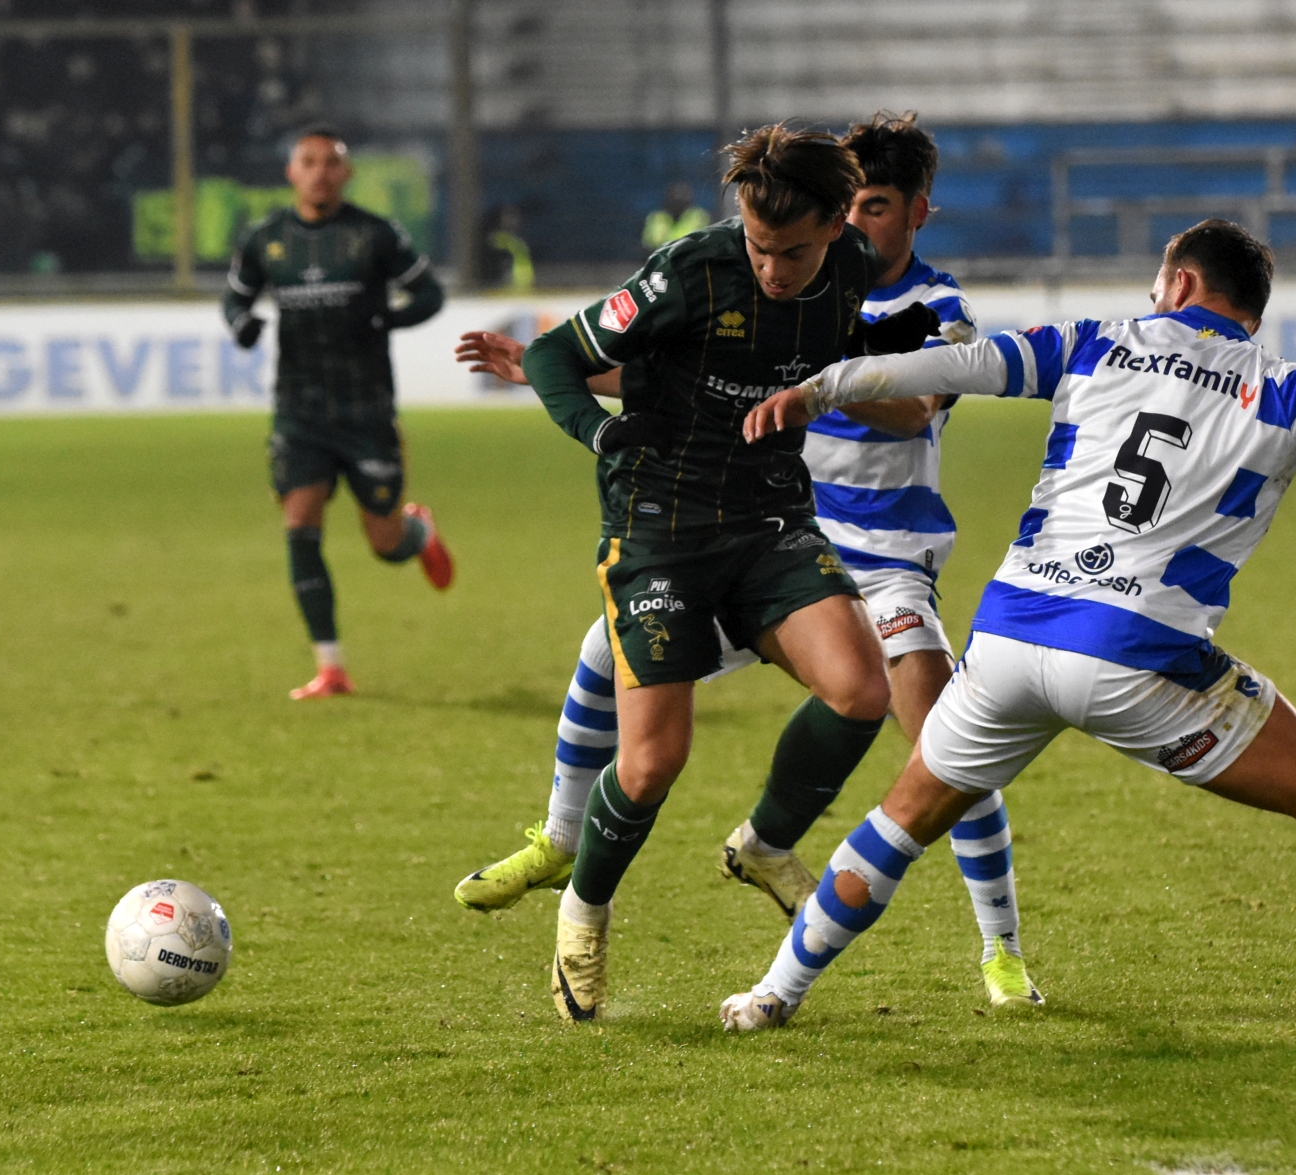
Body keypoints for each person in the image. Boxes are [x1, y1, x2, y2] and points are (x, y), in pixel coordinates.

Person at [719, 218, 1296, 1035]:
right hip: (1134, 653)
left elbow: (952, 365)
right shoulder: (1289, 388)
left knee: (900, 822)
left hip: (1007, 639)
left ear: (1177, 282)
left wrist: (823, 387)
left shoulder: (1092, 341)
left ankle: (771, 993)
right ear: (1251, 309)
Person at [451, 113, 1044, 1010]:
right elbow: (577, 355)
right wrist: (594, 419)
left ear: (844, 224)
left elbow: (897, 396)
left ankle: (780, 848)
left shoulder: (871, 284)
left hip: (788, 529)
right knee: (650, 758)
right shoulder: (693, 267)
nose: (773, 268)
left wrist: (814, 392)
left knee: (871, 697)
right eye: (762, 248)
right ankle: (580, 897)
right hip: (662, 530)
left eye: (792, 252)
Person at [223, 124, 456, 701]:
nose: (320, 171)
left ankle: (418, 531)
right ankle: (331, 667)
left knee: (384, 544)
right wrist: (241, 323)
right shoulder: (266, 238)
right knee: (300, 525)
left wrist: (385, 319)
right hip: (299, 412)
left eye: (331, 162)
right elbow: (235, 296)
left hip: (366, 411)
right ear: (291, 172)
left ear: (346, 174)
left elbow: (429, 294)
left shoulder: (373, 236)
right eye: (309, 161)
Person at [642, 181, 711, 251]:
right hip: (662, 258)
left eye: (681, 201)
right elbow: (648, 245)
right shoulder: (656, 218)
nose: (678, 205)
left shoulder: (699, 217)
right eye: (674, 201)